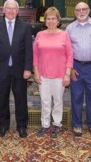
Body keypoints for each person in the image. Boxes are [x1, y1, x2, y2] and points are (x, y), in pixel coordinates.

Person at [0, 0, 33, 138]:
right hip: (1, 70)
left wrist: (28, 68)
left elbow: (28, 51)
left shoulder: (25, 27)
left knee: (21, 99)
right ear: (4, 10)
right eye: (9, 8)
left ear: (18, 11)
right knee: (2, 98)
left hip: (20, 70)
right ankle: (3, 125)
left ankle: (21, 125)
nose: (11, 11)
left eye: (14, 8)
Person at [66, 2, 91, 138]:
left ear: (89, 10)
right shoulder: (70, 28)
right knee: (76, 97)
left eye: (84, 9)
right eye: (78, 10)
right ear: (75, 12)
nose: (81, 12)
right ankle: (77, 124)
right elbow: (67, 51)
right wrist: (70, 68)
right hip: (76, 66)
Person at [33, 7, 73, 138]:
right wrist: (36, 73)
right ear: (45, 21)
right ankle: (45, 125)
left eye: (53, 18)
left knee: (57, 101)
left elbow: (70, 55)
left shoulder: (64, 34)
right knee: (44, 101)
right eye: (48, 18)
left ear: (58, 20)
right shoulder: (40, 35)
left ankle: (57, 124)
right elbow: (35, 56)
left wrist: (67, 74)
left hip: (59, 75)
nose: (51, 21)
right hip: (43, 74)